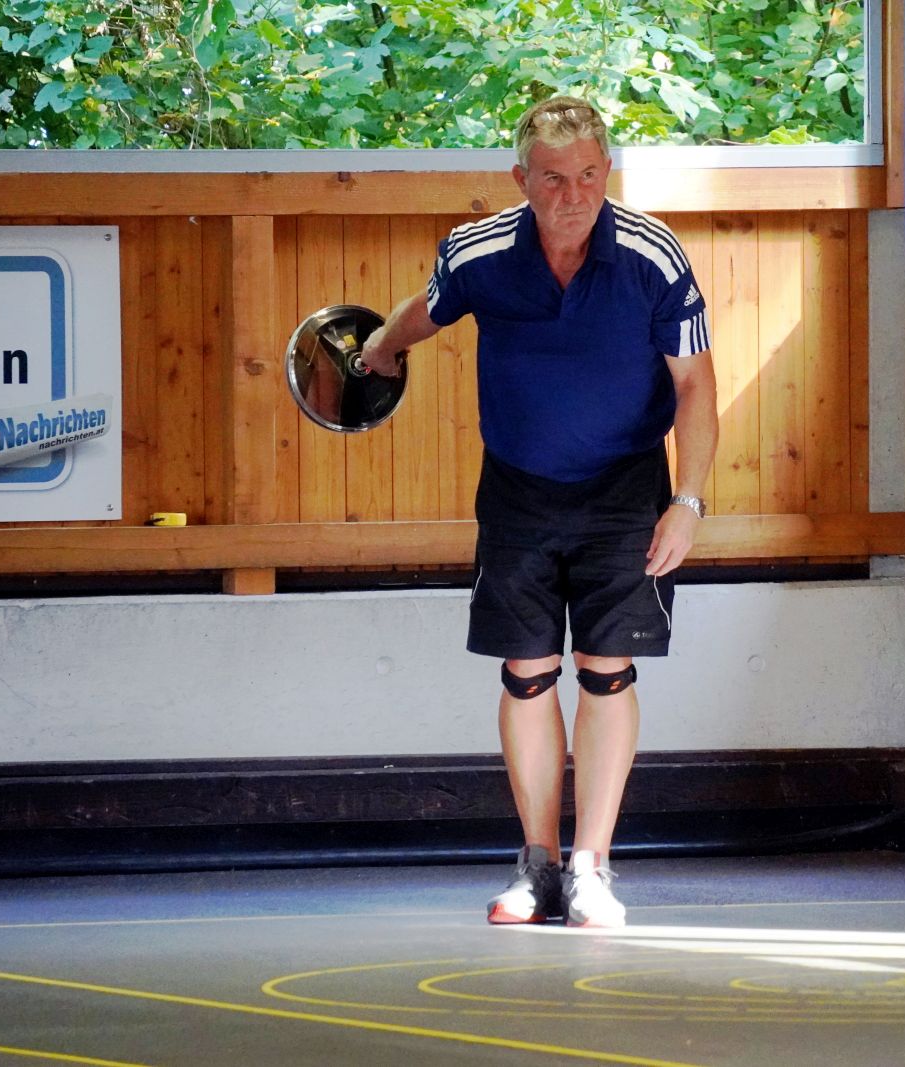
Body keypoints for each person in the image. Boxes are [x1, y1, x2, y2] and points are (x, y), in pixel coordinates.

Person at [358, 95, 718, 927]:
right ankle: (539, 864)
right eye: (553, 178)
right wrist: (380, 346)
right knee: (526, 672)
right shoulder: (478, 252)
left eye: (589, 175)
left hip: (627, 488)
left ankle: (591, 867)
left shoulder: (654, 257)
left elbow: (696, 383)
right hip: (519, 487)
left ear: (607, 172)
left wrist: (689, 502)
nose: (573, 195)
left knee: (606, 669)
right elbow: (426, 309)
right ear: (520, 178)